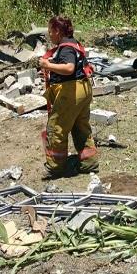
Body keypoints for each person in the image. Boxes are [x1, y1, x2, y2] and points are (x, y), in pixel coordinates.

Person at [39, 16, 98, 179]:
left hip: (71, 92)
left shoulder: (65, 48)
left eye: (50, 31)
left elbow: (69, 68)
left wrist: (48, 65)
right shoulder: (73, 43)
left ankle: (56, 168)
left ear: (57, 31)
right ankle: (89, 162)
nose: (49, 35)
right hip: (83, 89)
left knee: (56, 128)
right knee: (81, 127)